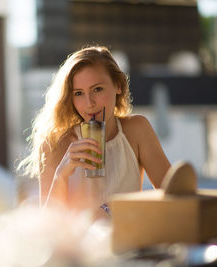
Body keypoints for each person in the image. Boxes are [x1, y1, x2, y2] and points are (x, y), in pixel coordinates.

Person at [18, 46, 171, 217]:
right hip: (82, 244)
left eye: (97, 89)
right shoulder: (54, 143)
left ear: (118, 85)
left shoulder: (136, 130)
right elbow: (48, 229)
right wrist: (61, 176)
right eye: (78, 93)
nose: (89, 103)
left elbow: (175, 195)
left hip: (129, 240)